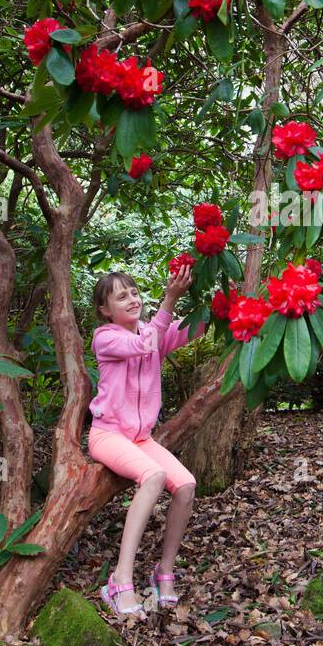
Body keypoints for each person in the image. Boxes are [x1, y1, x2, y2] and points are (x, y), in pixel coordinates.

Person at [88, 265, 207, 618]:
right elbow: (143, 345)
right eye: (121, 296)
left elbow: (191, 329)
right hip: (107, 435)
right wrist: (169, 300)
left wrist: (220, 303)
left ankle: (164, 572)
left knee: (186, 485)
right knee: (153, 477)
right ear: (105, 310)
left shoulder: (148, 331)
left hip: (140, 439)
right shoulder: (106, 337)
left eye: (135, 292)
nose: (132, 299)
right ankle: (119, 579)